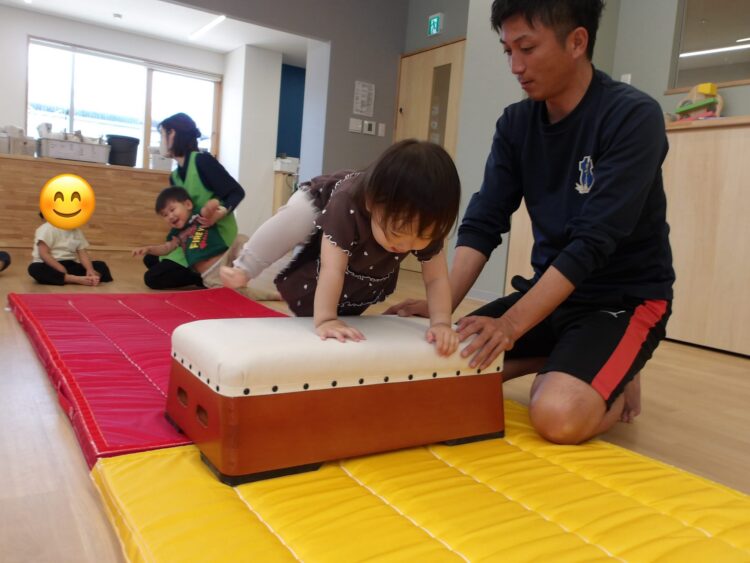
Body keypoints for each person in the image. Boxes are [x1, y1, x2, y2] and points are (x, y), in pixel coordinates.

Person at [387, 0, 675, 444]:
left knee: (557, 415)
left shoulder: (632, 116)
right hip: (552, 296)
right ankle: (576, 363)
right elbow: (485, 220)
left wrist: (509, 326)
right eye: (508, 51)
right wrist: (441, 304)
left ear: (577, 41)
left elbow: (592, 243)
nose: (515, 66)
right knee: (435, 367)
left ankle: (615, 377)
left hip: (623, 301)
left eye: (527, 48)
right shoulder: (516, 124)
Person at [221, 139, 461, 355]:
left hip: (363, 232)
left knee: (358, 278)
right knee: (298, 216)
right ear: (372, 204)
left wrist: (441, 323)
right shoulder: (347, 204)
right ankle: (244, 266)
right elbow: (332, 269)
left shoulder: (427, 221)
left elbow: (436, 278)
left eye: (422, 237)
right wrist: (326, 320)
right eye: (397, 233)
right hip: (319, 201)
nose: (405, 245)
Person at [143, 112, 245, 289]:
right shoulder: (175, 176)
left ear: (173, 133)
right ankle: (203, 273)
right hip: (192, 235)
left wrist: (220, 212)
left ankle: (207, 275)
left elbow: (236, 192)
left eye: (162, 135)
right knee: (150, 258)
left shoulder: (203, 161)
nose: (160, 142)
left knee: (153, 278)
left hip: (214, 235)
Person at [133, 186, 235, 288]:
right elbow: (166, 248)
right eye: (165, 215)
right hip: (207, 275)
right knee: (224, 291)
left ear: (188, 205)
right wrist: (149, 249)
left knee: (240, 242)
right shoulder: (176, 233)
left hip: (224, 262)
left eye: (172, 210)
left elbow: (207, 211)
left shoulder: (197, 216)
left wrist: (211, 205)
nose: (170, 216)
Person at [28, 213, 113, 286]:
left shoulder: (76, 231)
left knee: (101, 265)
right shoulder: (47, 228)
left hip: (69, 265)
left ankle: (91, 278)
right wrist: (60, 268)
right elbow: (44, 254)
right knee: (34, 269)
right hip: (49, 264)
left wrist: (90, 270)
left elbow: (82, 253)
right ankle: (75, 279)